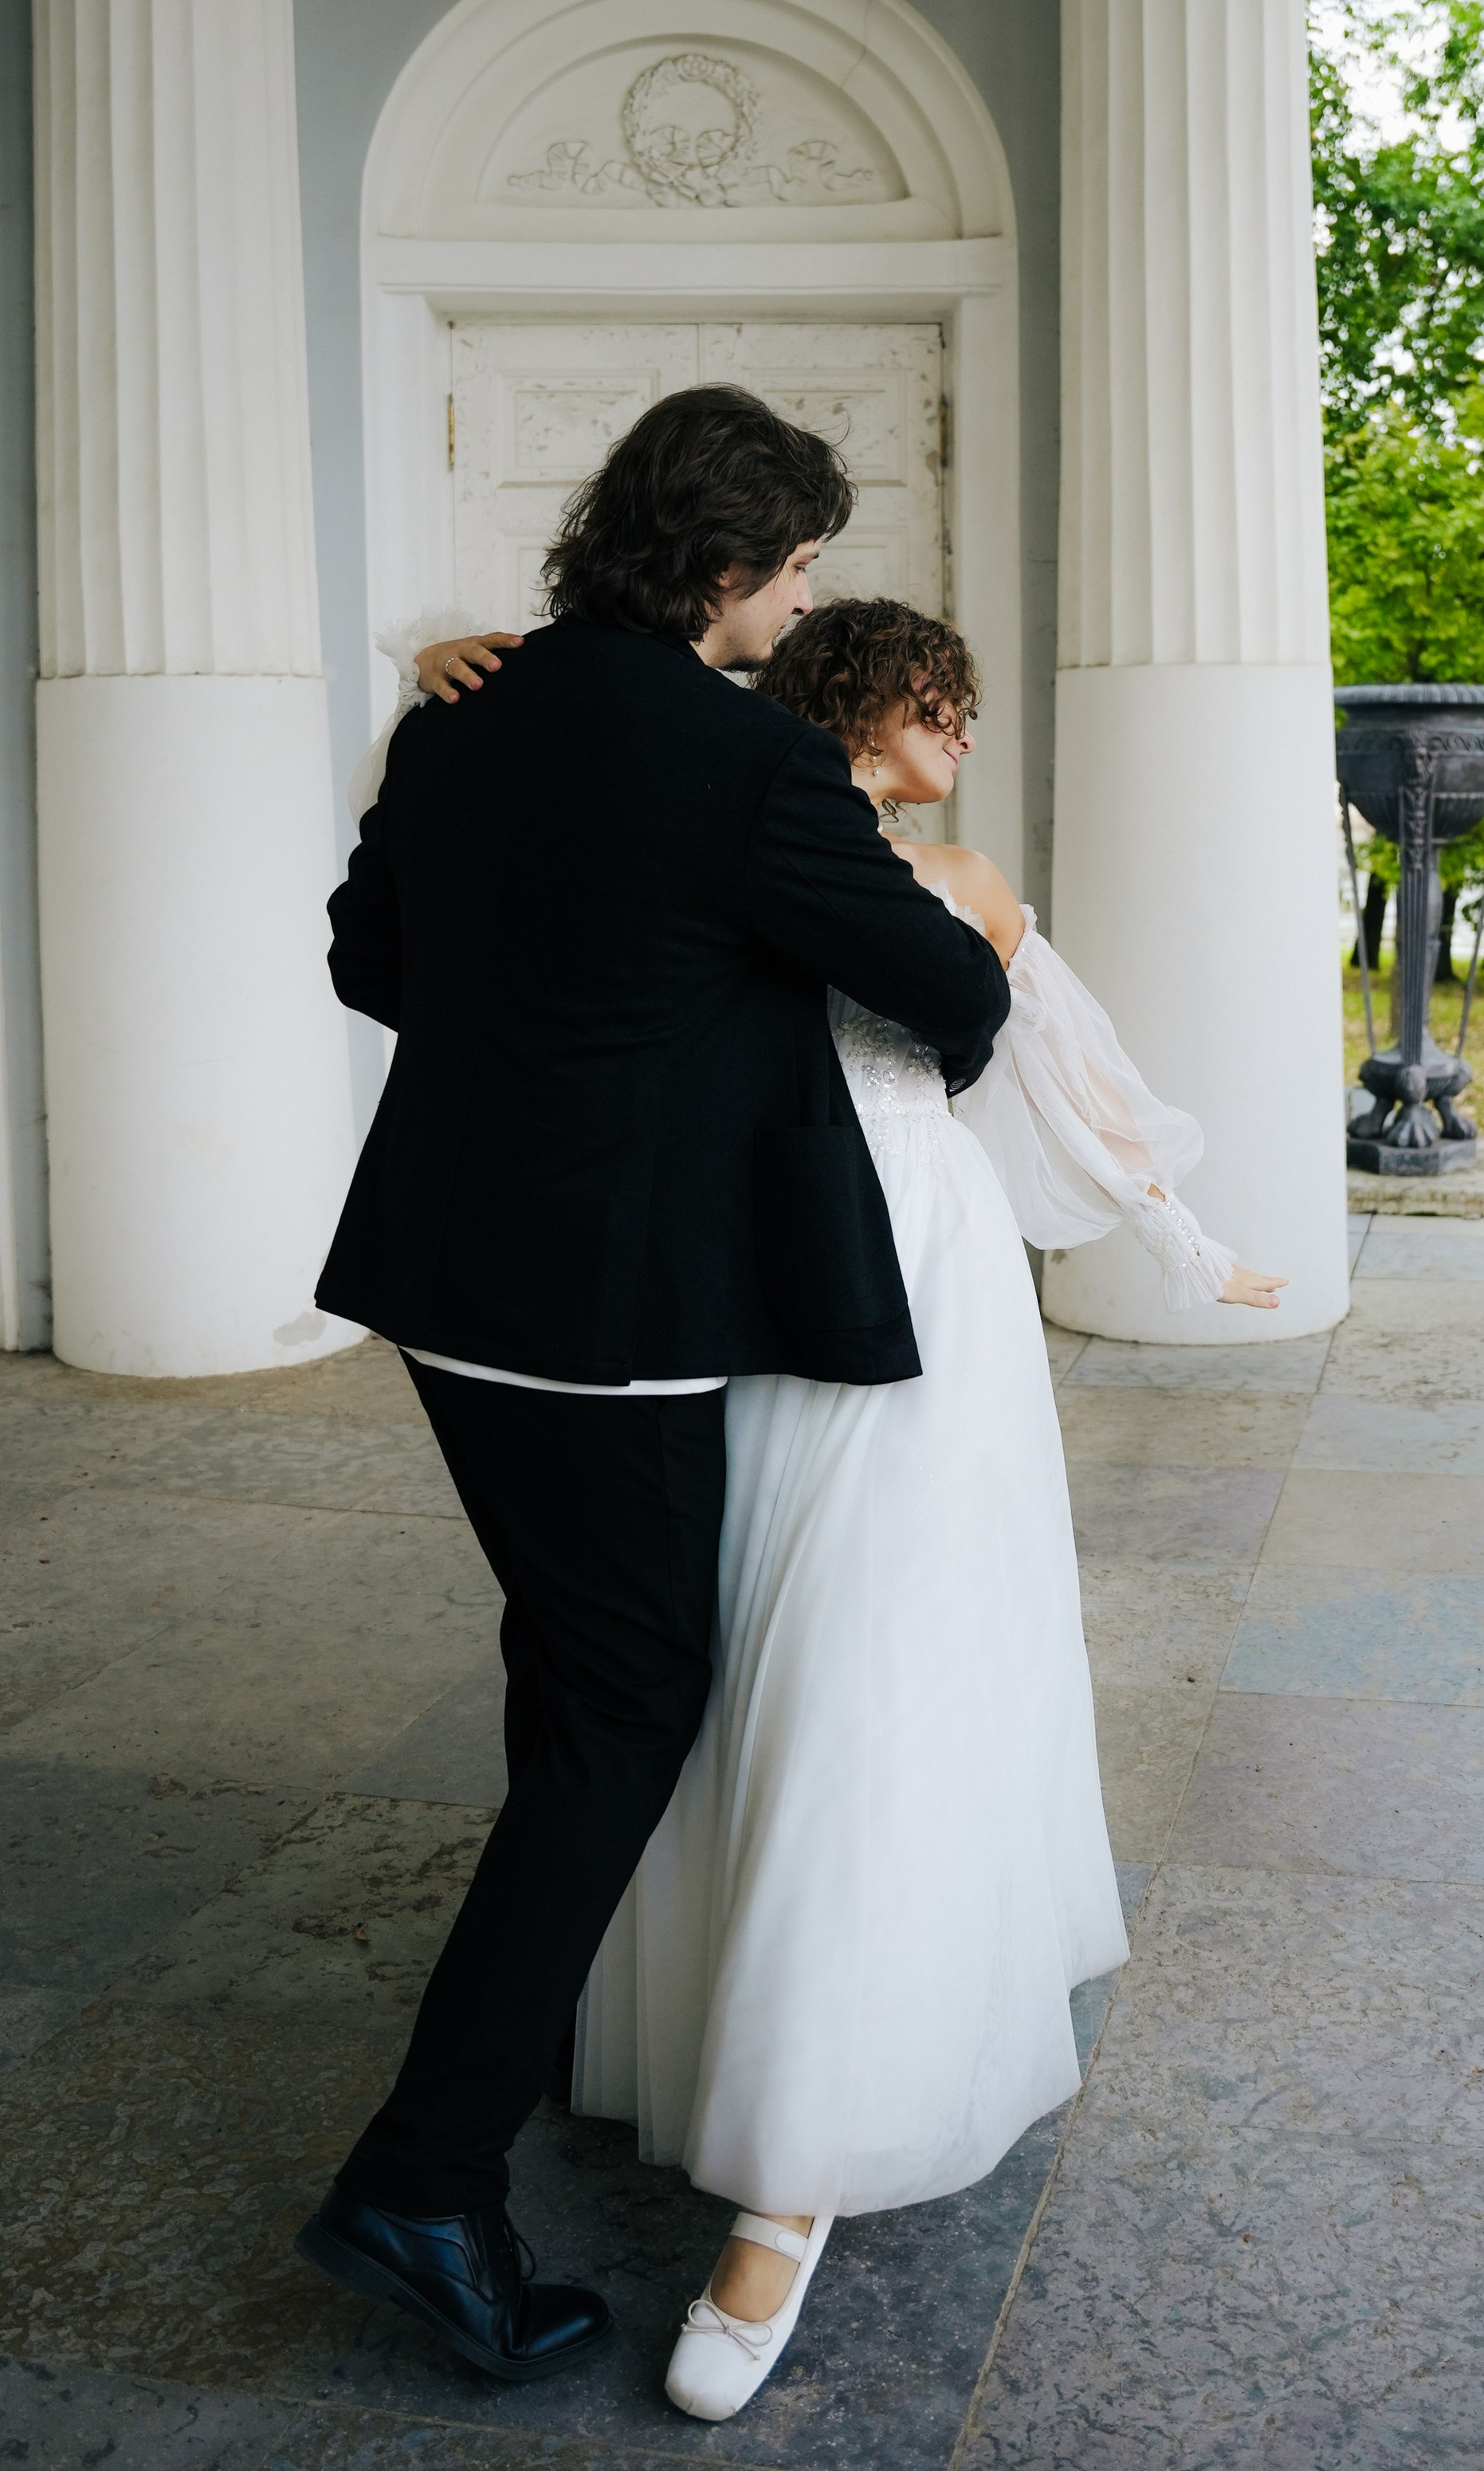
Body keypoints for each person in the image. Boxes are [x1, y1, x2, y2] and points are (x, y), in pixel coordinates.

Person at [398, 589, 1283, 2422]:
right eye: (937, 704)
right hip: (734, 1278)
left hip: (917, 1283)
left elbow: (1066, 1072)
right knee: (718, 1664)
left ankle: (795, 2163)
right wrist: (444, 662)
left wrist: (1189, 1242)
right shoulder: (712, 815)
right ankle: (669, 2027)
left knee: (884, 1663)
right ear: (865, 708)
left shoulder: (959, 876)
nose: (961, 734)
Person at [293, 388, 1010, 2390]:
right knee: (626, 1711)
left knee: (569, 1675)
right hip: (607, 1313)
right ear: (721, 564)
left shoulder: (464, 713)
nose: (800, 606)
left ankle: (533, 2054)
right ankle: (424, 2179)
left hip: (441, 1281)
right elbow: (951, 989)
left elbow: (373, 959)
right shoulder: (744, 761)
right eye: (790, 570)